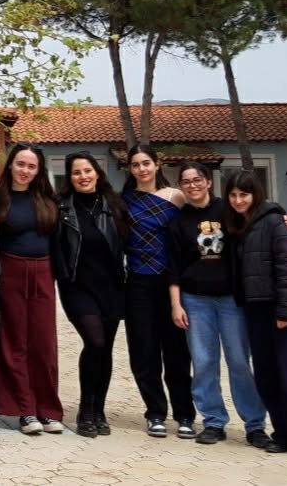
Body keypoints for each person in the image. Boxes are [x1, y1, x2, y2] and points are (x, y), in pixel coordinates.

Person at [167, 162, 269, 449]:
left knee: (239, 361)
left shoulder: (228, 209)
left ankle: (255, 424)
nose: (192, 185)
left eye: (197, 179)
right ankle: (213, 421)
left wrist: (284, 219)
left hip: (231, 300)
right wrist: (176, 305)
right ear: (181, 186)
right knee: (203, 362)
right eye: (186, 181)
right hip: (195, 301)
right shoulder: (178, 221)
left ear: (208, 181)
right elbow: (173, 267)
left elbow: (260, 218)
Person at [224, 170, 287, 455]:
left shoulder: (275, 222)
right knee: (266, 375)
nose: (238, 200)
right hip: (253, 310)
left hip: (279, 308)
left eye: (244, 194)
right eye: (233, 195)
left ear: (256, 194)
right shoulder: (237, 226)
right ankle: (283, 435)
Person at [121, 146, 195, 439]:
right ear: (130, 169)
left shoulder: (176, 196)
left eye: (146, 163)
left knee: (177, 352)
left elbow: (209, 214)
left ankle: (185, 414)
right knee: (144, 351)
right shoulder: (123, 201)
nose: (142, 169)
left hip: (171, 283)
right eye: (136, 164)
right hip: (137, 282)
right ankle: (155, 413)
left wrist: (278, 216)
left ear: (157, 164)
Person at [0, 144, 63, 435]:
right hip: (11, 271)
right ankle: (25, 410)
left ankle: (49, 410)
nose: (25, 171)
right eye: (21, 164)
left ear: (39, 170)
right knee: (15, 341)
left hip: (43, 272)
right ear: (10, 165)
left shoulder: (47, 199)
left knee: (44, 343)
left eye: (31, 166)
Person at [54, 152, 129, 439]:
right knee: (95, 341)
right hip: (77, 287)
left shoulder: (114, 205)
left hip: (111, 286)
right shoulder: (61, 207)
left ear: (97, 173)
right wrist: (62, 277)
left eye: (87, 171)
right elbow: (56, 247)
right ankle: (85, 410)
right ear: (70, 177)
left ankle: (99, 410)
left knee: (105, 349)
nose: (83, 176)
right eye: (76, 172)